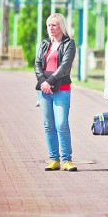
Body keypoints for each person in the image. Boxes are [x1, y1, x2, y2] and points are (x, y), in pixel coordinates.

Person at [34, 13, 78, 172]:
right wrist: (42, 82)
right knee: (48, 125)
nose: (51, 28)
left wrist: (49, 82)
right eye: (49, 25)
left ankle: (67, 160)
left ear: (61, 26)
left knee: (61, 124)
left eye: (54, 25)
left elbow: (65, 67)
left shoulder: (69, 44)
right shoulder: (44, 44)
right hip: (44, 90)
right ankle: (54, 159)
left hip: (61, 89)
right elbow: (37, 64)